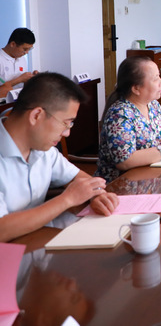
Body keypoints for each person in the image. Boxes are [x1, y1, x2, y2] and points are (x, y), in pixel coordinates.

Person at [0, 72, 119, 242]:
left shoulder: (44, 149)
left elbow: (78, 178)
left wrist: (97, 195)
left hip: (38, 243)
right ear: (36, 115)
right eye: (65, 123)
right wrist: (67, 199)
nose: (67, 133)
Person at [97, 57, 161, 182]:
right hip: (123, 184)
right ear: (136, 88)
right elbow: (125, 161)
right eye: (155, 79)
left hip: (152, 177)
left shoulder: (152, 104)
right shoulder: (120, 115)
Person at [0, 27, 39, 98]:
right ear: (13, 44)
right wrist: (19, 79)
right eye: (25, 49)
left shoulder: (22, 59)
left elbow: (22, 86)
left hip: (19, 100)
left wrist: (31, 79)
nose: (27, 52)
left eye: (29, 49)